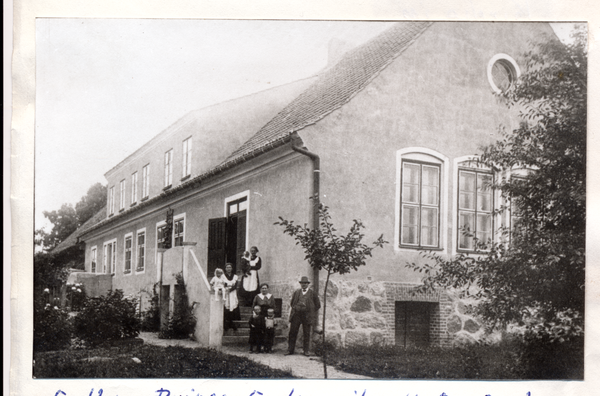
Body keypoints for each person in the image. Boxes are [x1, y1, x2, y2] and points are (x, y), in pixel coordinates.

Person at [285, 276, 321, 356]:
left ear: (308, 284)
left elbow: (318, 305)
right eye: (302, 283)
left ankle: (306, 351)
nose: (304, 285)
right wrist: (297, 308)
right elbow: (292, 303)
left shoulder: (312, 293)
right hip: (296, 315)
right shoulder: (297, 292)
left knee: (306, 333)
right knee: (292, 332)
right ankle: (290, 350)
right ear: (300, 284)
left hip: (307, 316)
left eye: (305, 283)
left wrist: (310, 310)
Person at [223, 263, 241, 331]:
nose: (228, 269)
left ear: (232, 268)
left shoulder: (235, 276)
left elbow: (235, 285)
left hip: (232, 292)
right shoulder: (223, 276)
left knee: (232, 304)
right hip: (226, 292)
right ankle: (226, 323)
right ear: (225, 268)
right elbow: (223, 284)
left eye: (230, 267)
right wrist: (226, 289)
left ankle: (231, 322)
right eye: (227, 267)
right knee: (226, 304)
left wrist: (230, 289)